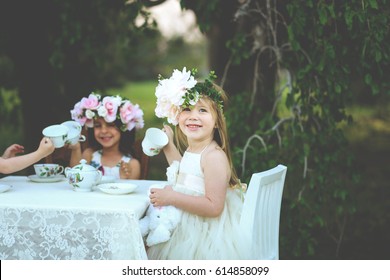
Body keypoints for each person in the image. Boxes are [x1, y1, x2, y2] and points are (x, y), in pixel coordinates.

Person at [147, 67, 249, 259]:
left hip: (202, 231)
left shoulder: (213, 157)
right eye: (187, 109)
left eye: (202, 110)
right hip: (187, 219)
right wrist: (168, 145)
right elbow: (185, 174)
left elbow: (213, 207)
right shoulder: (195, 149)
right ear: (178, 116)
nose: (193, 116)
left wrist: (171, 198)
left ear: (217, 122)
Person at [68, 93, 144, 179]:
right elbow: (75, 178)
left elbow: (130, 189)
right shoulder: (89, 155)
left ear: (123, 128)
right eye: (97, 126)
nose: (103, 131)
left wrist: (123, 178)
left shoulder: (132, 165)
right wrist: (76, 149)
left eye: (111, 125)